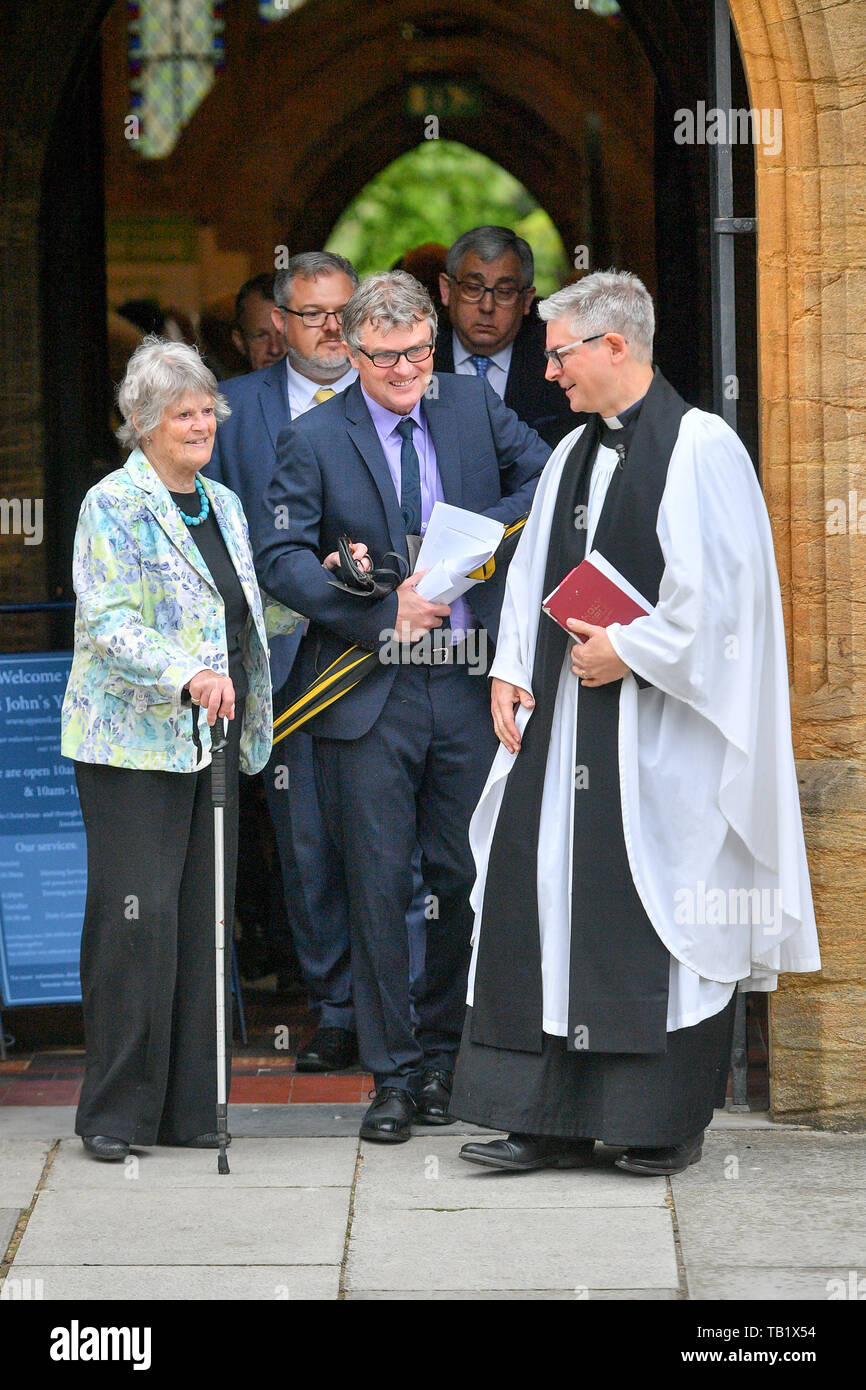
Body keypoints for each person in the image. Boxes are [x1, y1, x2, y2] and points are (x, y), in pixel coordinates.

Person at [451, 270, 821, 1175]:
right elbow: (536, 571)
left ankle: (657, 1123)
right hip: (564, 728)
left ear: (616, 346)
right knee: (538, 901)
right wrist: (507, 670)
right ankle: (541, 1117)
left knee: (653, 909)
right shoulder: (571, 454)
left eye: (562, 351)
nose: (549, 371)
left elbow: (728, 611)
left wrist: (633, 652)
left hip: (658, 741)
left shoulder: (702, 447)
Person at [256, 271, 550, 1142]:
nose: (405, 372)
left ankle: (446, 1054)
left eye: (418, 353)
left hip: (464, 681)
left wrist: (477, 546)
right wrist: (379, 611)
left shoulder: (467, 406)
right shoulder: (312, 437)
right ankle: (391, 1072)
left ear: (432, 340)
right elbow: (280, 556)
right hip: (367, 690)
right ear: (349, 351)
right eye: (385, 359)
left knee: (462, 874)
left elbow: (546, 477)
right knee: (378, 885)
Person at [61, 336, 302, 1161]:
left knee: (205, 919)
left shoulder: (224, 504)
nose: (201, 424)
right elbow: (107, 621)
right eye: (183, 413)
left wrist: (336, 591)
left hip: (217, 739)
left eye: (207, 410)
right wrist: (189, 673)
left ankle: (192, 1108)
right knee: (140, 919)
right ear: (142, 424)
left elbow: (244, 611)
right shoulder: (113, 506)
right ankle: (115, 1114)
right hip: (132, 744)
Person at [206, 251, 363, 1073]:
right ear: (279, 324)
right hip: (281, 662)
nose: (332, 327)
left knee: (391, 843)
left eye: (344, 310)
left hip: (384, 657)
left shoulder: (396, 389)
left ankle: (403, 1016)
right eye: (313, 315)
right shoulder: (231, 411)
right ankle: (334, 1011)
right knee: (307, 848)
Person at [434, 225, 577, 447]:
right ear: (446, 290)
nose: (487, 306)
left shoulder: (558, 366)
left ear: (527, 300)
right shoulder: (416, 357)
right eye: (473, 288)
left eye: (504, 292)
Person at [231, 272, 286, 372]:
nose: (275, 349)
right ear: (239, 342)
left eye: (283, 332)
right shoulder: (225, 388)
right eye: (261, 336)